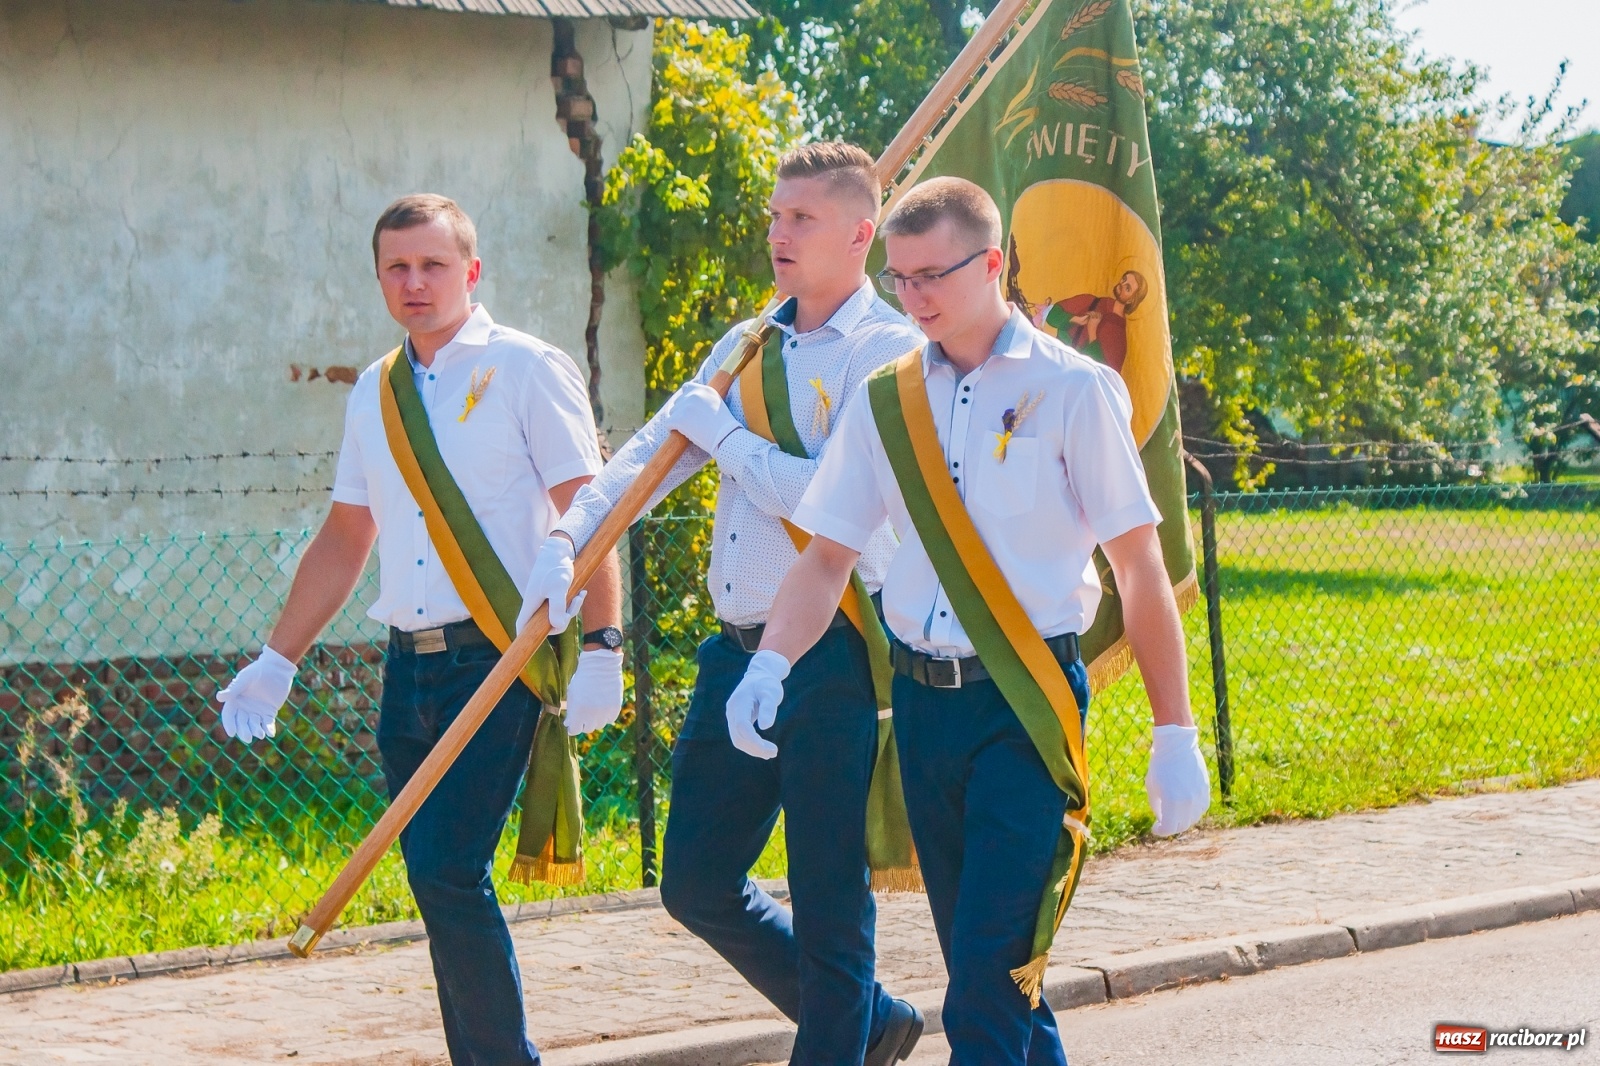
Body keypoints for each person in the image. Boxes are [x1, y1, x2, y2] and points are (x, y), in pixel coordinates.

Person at [728, 177, 1210, 1065]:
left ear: (992, 265)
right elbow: (827, 555)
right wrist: (771, 665)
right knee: (1001, 983)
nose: (912, 299)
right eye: (899, 278)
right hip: (923, 711)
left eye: (931, 276)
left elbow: (1138, 565)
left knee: (985, 994)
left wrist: (1174, 730)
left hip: (1025, 709)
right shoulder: (887, 396)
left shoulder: (1074, 390)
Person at [524, 142, 926, 1066]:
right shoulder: (749, 343)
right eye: (775, 216)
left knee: (829, 896)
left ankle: (841, 1036)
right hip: (736, 650)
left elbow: (843, 507)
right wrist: (568, 540)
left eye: (802, 220)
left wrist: (733, 443)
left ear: (861, 234)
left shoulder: (887, 349)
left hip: (836, 648)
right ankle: (871, 1022)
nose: (778, 234)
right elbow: (646, 460)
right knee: (696, 880)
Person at [215, 194, 625, 1066]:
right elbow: (346, 535)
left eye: (432, 265)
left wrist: (602, 646)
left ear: (471, 272)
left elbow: (588, 513)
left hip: (500, 657)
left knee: (447, 871)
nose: (414, 283)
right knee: (438, 882)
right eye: (396, 268)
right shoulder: (377, 389)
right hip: (409, 668)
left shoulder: (527, 368)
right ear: (378, 279)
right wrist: (277, 657)